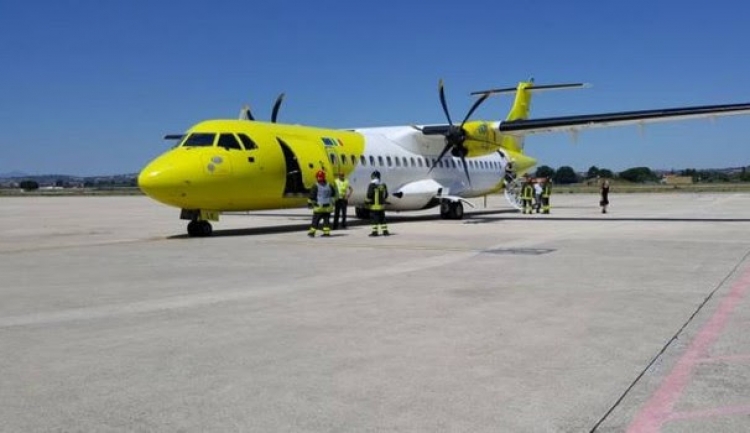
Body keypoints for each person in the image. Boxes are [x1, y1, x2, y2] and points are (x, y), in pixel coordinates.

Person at [307, 170, 337, 237]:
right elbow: (334, 194)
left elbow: (312, 196)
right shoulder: (329, 185)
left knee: (315, 220)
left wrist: (309, 203)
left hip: (319, 208)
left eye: (318, 177)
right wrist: (332, 202)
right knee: (326, 221)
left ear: (317, 177)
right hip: (328, 208)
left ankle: (312, 233)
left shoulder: (316, 186)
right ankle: (326, 233)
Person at [365, 170, 389, 236]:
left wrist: (366, 202)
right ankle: (385, 231)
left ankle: (375, 232)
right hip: (381, 206)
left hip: (374, 206)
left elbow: (369, 195)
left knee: (374, 219)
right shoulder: (383, 185)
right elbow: (386, 195)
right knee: (382, 219)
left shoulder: (371, 185)